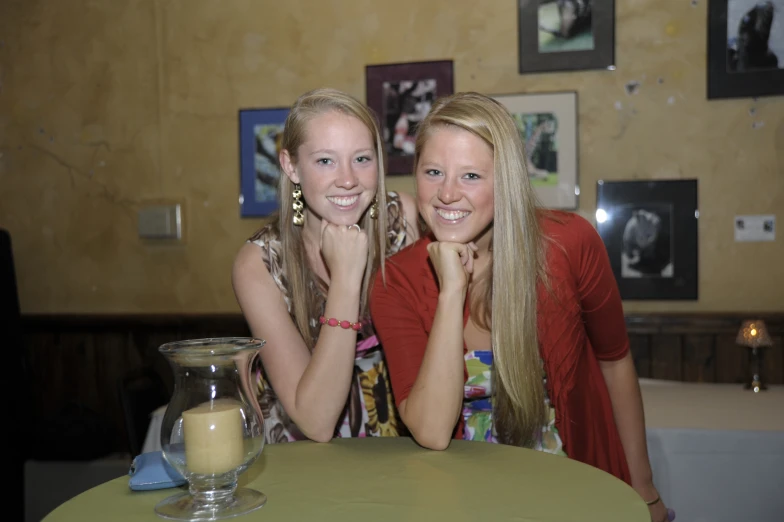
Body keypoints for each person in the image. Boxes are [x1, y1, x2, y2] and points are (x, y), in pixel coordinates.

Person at [370, 92, 673, 522]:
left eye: (471, 175)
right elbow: (432, 430)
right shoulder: (395, 281)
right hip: (456, 501)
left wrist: (644, 489)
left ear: (506, 180)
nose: (447, 193)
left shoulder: (568, 245)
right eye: (433, 172)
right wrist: (451, 290)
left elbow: (615, 363)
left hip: (574, 490)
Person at [232, 88, 419, 444]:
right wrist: (347, 278)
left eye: (362, 159)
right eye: (325, 161)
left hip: (395, 434)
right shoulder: (258, 264)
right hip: (302, 453)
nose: (348, 179)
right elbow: (314, 422)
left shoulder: (402, 222)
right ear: (291, 166)